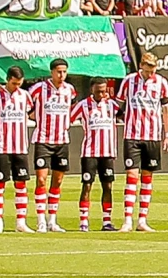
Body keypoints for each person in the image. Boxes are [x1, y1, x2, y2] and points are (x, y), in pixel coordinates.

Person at [116, 51, 168, 232]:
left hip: (153, 136)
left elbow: (165, 110)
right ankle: (127, 220)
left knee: (147, 178)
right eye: (148, 70)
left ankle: (142, 220)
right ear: (141, 66)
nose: (151, 74)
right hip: (132, 135)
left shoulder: (161, 83)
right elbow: (117, 105)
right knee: (132, 176)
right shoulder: (129, 81)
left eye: (153, 70)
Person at [28, 57, 78, 232]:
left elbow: (71, 110)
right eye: (58, 72)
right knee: (41, 180)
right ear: (51, 72)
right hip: (43, 139)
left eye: (64, 72)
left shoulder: (70, 90)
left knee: (57, 181)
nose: (62, 75)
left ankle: (52, 220)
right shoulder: (38, 89)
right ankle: (40, 220)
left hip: (62, 140)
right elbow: (26, 107)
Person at [0, 66, 33, 233]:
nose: (16, 87)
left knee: (21, 184)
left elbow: (29, 113)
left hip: (20, 146)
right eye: (14, 83)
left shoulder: (25, 96)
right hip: (1, 146)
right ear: (7, 79)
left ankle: (21, 221)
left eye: (19, 83)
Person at [71, 79, 119, 231]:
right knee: (87, 186)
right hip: (90, 152)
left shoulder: (112, 105)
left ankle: (107, 221)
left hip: (107, 152)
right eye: (98, 91)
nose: (101, 94)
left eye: (103, 91)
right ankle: (84, 222)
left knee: (108, 186)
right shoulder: (83, 105)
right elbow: (68, 118)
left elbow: (128, 113)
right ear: (92, 89)